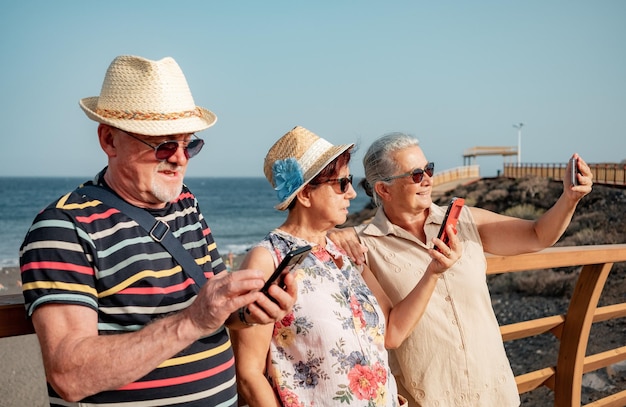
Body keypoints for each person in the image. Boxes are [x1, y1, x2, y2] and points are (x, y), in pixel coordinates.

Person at [19, 55, 296, 406]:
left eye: (189, 144)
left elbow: (217, 315)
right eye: (164, 144)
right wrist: (193, 320)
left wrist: (249, 311)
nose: (180, 158)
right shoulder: (63, 229)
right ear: (109, 140)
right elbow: (68, 375)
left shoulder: (185, 206)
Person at [328, 132, 594, 406]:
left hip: (494, 392)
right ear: (384, 190)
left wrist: (569, 198)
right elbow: (386, 332)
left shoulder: (466, 222)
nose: (429, 179)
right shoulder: (361, 246)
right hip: (429, 399)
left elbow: (537, 234)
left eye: (428, 169)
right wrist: (330, 233)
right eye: (416, 174)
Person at [230, 126, 462, 407]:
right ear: (305, 194)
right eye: (341, 184)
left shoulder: (343, 252)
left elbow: (392, 333)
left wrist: (434, 271)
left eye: (350, 181)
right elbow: (248, 374)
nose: (352, 193)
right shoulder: (268, 259)